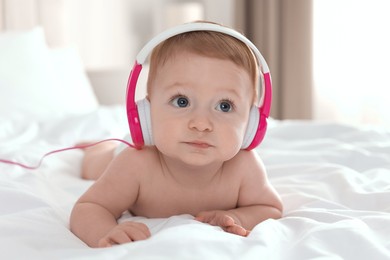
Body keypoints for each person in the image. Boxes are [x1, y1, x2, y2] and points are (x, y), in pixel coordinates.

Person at [70, 22, 283, 248]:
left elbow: (270, 208)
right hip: (122, 153)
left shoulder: (244, 167)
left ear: (251, 122)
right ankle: (96, 147)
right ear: (147, 111)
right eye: (182, 101)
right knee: (94, 164)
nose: (201, 124)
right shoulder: (135, 164)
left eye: (224, 106)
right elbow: (90, 207)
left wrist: (238, 218)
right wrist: (106, 233)